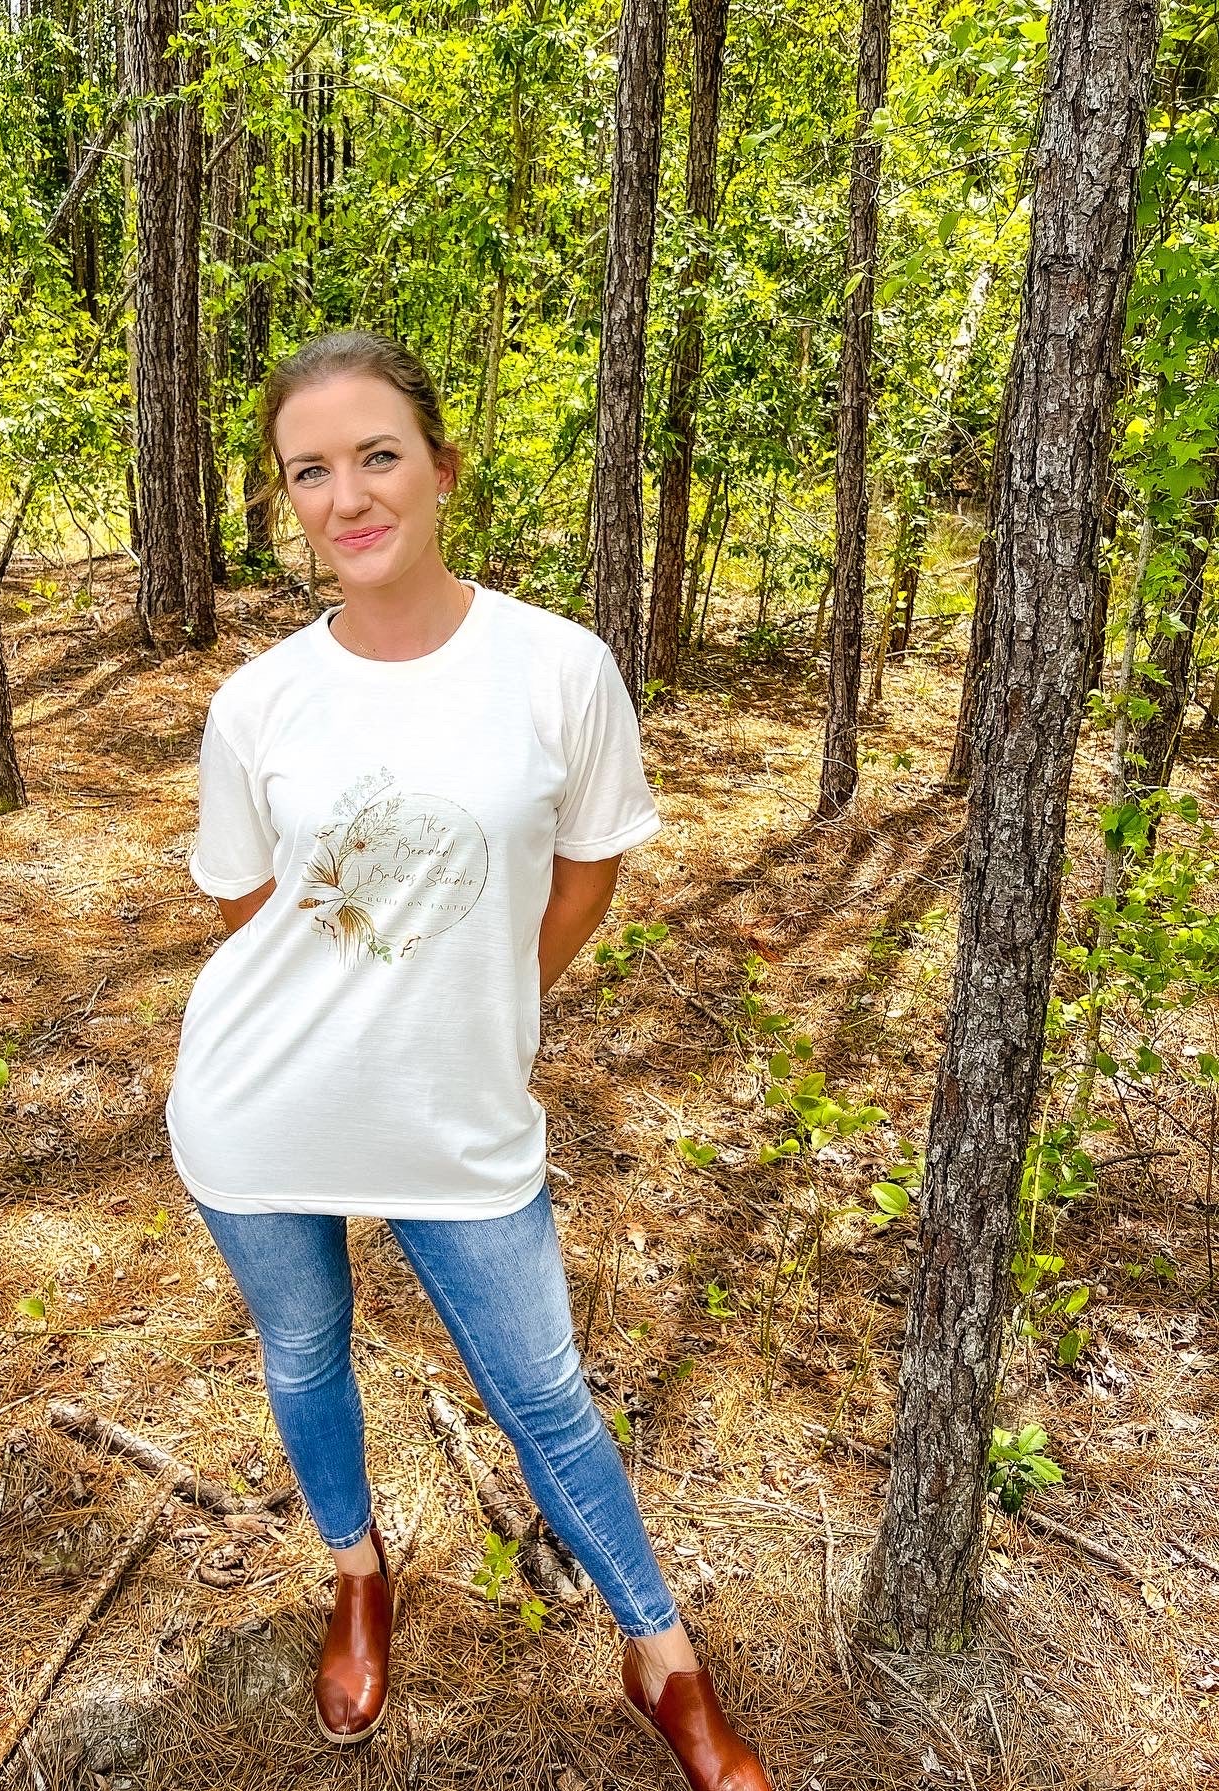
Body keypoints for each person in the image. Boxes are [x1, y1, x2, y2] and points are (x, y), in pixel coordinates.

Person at [164, 328, 772, 1791]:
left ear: (442, 467)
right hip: (259, 1111)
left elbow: (583, 873)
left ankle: (658, 1652)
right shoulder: (257, 705)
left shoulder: (557, 667)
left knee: (543, 1388)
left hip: (458, 1119)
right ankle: (358, 1568)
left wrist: (480, 1005)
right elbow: (260, 917)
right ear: (286, 498)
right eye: (309, 471)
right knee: (304, 1349)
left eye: (377, 455)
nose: (346, 495)